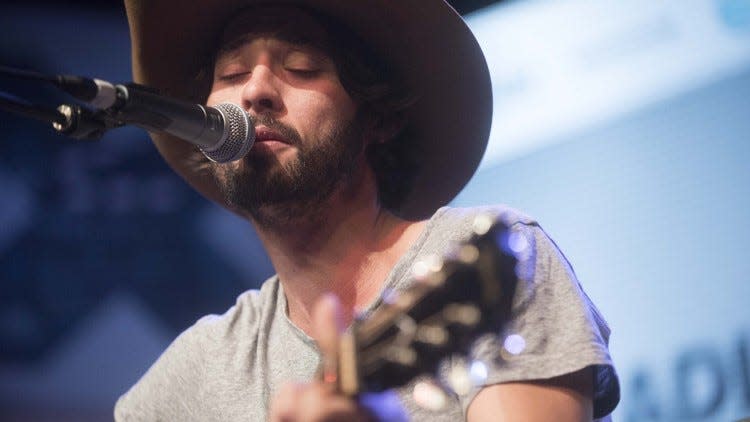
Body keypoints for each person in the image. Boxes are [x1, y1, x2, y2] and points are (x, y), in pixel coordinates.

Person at [115, 1, 620, 420]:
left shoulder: (491, 256)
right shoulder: (195, 376)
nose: (256, 91)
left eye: (300, 68)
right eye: (232, 73)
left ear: (376, 117)